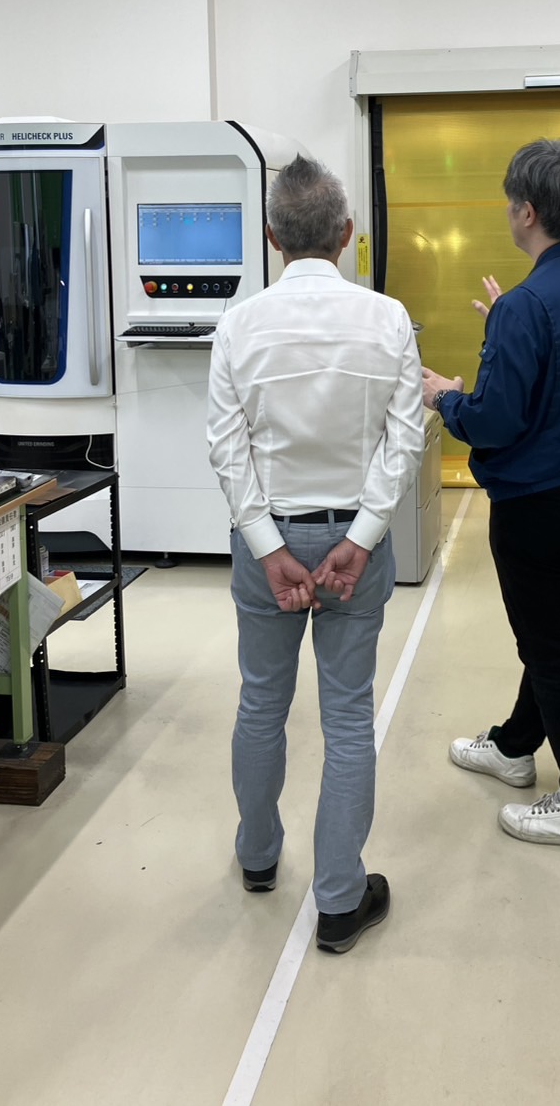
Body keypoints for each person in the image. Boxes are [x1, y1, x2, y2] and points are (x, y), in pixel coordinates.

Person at [207, 154, 423, 954]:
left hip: (267, 541)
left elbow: (227, 447)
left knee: (261, 702)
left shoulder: (239, 325)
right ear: (346, 233)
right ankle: (338, 898)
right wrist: (362, 539)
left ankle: (259, 857)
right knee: (348, 716)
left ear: (272, 237)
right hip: (352, 547)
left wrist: (268, 549)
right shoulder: (388, 319)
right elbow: (404, 439)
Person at [421, 139, 560, 850]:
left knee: (549, 650)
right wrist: (504, 335)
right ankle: (515, 745)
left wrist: (446, 397)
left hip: (533, 508)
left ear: (528, 212)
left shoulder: (526, 305)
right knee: (547, 632)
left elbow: (495, 419)